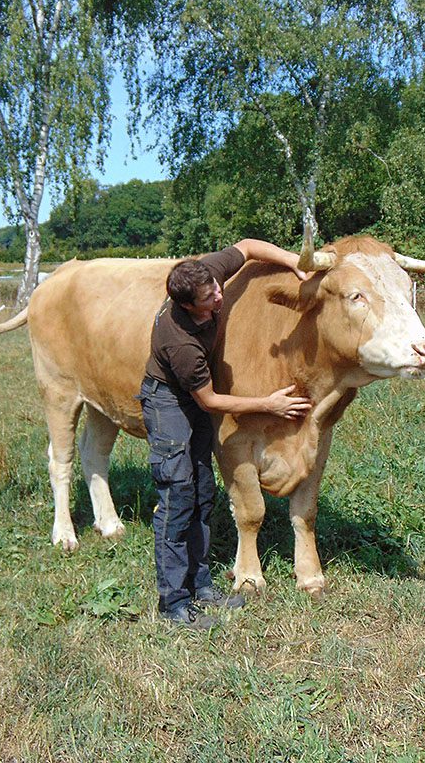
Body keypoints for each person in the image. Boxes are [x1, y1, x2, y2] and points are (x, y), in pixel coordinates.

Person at [139, 239, 314, 630]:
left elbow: (248, 247)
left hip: (197, 398)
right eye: (209, 298)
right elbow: (211, 401)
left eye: (216, 288)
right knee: (177, 497)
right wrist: (269, 405)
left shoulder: (205, 276)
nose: (220, 296)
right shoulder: (180, 342)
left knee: (203, 490)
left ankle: (201, 585)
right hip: (169, 402)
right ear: (188, 305)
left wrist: (294, 262)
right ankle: (173, 603)